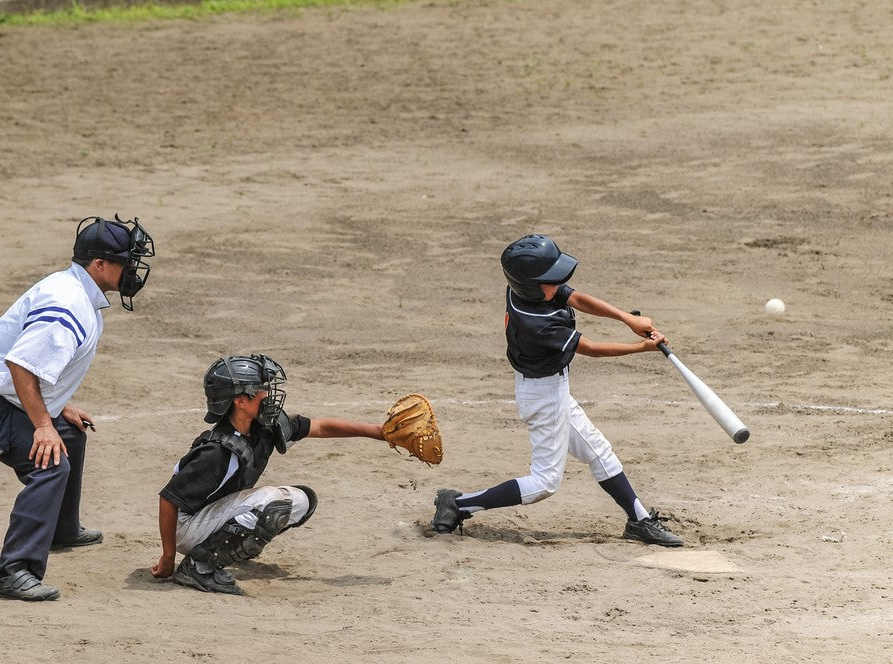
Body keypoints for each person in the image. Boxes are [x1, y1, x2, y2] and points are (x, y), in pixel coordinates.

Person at [431, 233, 683, 547]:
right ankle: (458, 504)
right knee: (544, 483)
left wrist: (626, 319)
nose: (559, 282)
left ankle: (639, 521)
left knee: (598, 452)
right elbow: (590, 348)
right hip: (543, 397)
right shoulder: (537, 321)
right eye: (552, 279)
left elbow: (576, 298)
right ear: (532, 285)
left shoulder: (528, 291)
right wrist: (641, 347)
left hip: (553, 391)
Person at [0, 214, 156, 601]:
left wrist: (58, 408)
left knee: (71, 434)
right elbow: (20, 364)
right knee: (49, 462)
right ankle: (13, 570)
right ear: (99, 265)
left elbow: (31, 366)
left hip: (3, 398)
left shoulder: (77, 291)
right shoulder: (68, 303)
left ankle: (62, 530)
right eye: (126, 262)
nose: (133, 271)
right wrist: (43, 424)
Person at [150, 353, 385, 595]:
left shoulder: (264, 427)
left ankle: (226, 546)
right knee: (272, 502)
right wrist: (168, 556)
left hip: (210, 515)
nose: (268, 394)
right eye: (261, 389)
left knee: (301, 501)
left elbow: (321, 427)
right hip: (186, 526)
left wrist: (379, 432)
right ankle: (198, 567)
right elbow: (169, 500)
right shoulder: (217, 452)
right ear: (240, 401)